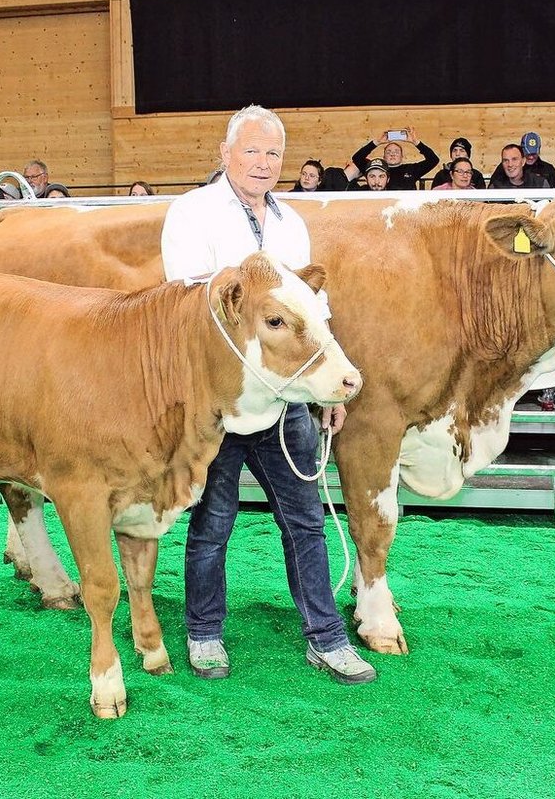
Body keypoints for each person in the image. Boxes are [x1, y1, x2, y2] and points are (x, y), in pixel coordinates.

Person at [160, 104, 375, 685]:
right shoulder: (192, 212)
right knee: (213, 521)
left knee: (305, 520)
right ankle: (204, 632)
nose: (263, 162)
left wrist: (329, 387)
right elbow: (186, 303)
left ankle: (327, 638)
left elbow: (313, 311)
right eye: (252, 150)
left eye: (273, 153)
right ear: (224, 154)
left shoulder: (291, 223)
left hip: (284, 403)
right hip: (223, 405)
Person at [350, 130, 437, 191]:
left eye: (396, 151)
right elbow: (357, 158)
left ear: (402, 156)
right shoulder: (376, 169)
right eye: (388, 152)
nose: (392, 154)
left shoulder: (411, 169)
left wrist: (416, 142)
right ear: (383, 157)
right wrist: (377, 142)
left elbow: (433, 160)